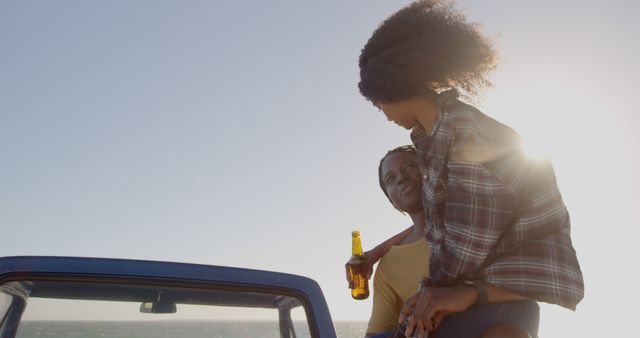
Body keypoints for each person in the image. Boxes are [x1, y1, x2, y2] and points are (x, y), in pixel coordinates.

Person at [357, 1, 584, 338]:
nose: (383, 113)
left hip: (502, 305)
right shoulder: (439, 139)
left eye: (378, 103)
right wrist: (381, 256)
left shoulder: (466, 137)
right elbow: (436, 228)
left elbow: (461, 252)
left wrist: (430, 299)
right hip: (487, 299)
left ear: (393, 85)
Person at [346, 145, 431, 338]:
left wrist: (377, 250)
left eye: (409, 166)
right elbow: (375, 334)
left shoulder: (464, 228)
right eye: (390, 179)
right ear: (392, 202)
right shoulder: (388, 264)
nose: (401, 178)